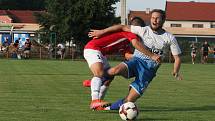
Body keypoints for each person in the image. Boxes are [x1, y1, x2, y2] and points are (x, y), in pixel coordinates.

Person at [88, 9, 182, 110]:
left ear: (163, 20)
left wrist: (175, 71)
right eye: (153, 18)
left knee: (129, 101)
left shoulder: (170, 38)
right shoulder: (143, 30)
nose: (154, 20)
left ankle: (106, 108)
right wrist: (102, 32)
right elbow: (122, 27)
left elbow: (177, 58)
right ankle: (96, 80)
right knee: (115, 70)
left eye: (157, 18)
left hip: (148, 71)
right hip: (136, 61)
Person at [84, 28, 160, 110]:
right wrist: (151, 55)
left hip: (101, 53)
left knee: (109, 77)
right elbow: (135, 43)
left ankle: (98, 103)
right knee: (99, 73)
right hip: (93, 48)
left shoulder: (126, 42)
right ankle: (95, 100)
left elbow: (127, 55)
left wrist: (144, 58)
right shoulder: (130, 33)